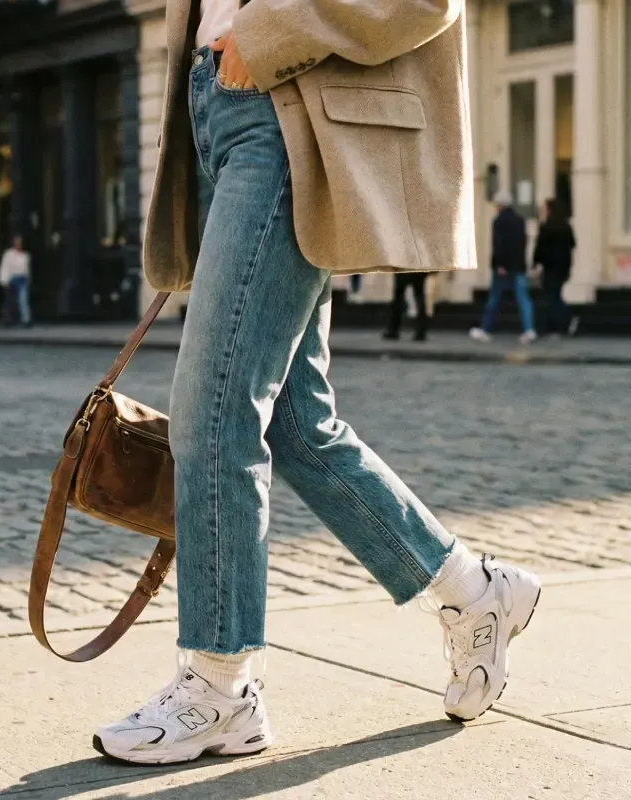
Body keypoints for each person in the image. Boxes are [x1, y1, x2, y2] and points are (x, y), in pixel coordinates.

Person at [90, 2, 542, 765]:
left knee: (215, 410)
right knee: (296, 425)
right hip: (219, 105)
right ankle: (474, 590)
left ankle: (219, 683)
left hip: (285, 109)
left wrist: (260, 42)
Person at [470, 191, 537, 344]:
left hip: (503, 267)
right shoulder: (520, 221)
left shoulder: (499, 221)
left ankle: (486, 329)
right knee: (523, 298)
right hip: (518, 265)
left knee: (495, 298)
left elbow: (498, 245)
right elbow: (522, 243)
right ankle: (529, 329)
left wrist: (500, 264)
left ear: (500, 205)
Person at [532, 198, 578, 338]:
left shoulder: (546, 227)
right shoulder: (566, 226)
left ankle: (564, 322)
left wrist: (535, 263)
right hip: (563, 266)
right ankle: (560, 323)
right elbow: (572, 244)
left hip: (550, 266)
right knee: (555, 294)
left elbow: (540, 248)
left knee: (552, 296)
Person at [383, 272, 432, 342]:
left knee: (398, 297)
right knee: (419, 297)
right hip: (418, 269)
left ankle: (393, 330)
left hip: (404, 267)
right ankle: (421, 332)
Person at [0, 235, 31, 328]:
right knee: (10, 300)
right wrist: (3, 280)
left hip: (22, 278)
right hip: (13, 278)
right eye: (17, 242)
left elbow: (26, 269)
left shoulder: (25, 255)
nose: (18, 244)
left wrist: (28, 279)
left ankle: (26, 319)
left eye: (20, 242)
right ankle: (10, 319)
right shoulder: (9, 254)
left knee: (23, 298)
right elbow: (5, 267)